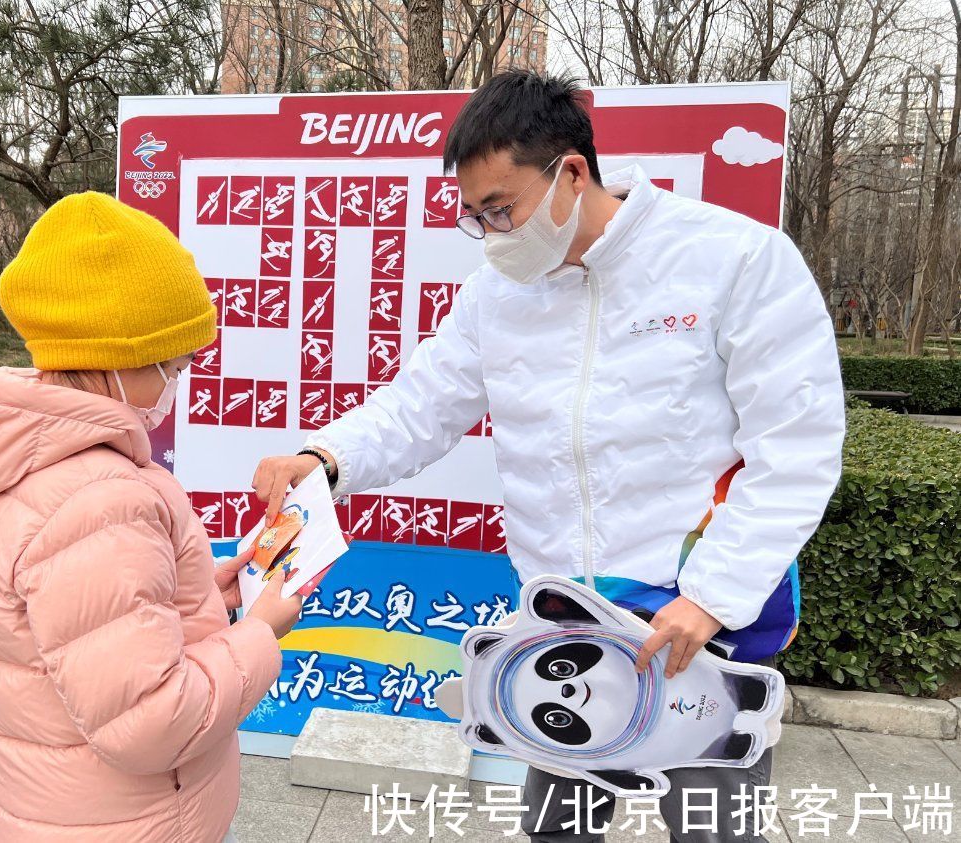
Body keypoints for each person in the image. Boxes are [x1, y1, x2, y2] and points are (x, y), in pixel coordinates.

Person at [253, 71, 845, 842]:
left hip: (693, 621)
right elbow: (421, 404)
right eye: (476, 216)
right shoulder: (497, 296)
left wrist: (713, 594)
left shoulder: (733, 259)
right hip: (565, 617)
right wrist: (326, 455)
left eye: (503, 208)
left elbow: (795, 444)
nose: (493, 232)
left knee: (715, 828)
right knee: (557, 828)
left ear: (571, 172)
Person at [0, 192, 302, 842]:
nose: (180, 382)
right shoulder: (99, 497)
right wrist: (260, 632)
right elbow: (152, 719)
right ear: (118, 358)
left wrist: (199, 592)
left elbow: (67, 630)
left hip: (59, 812)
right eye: (174, 365)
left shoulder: (16, 454)